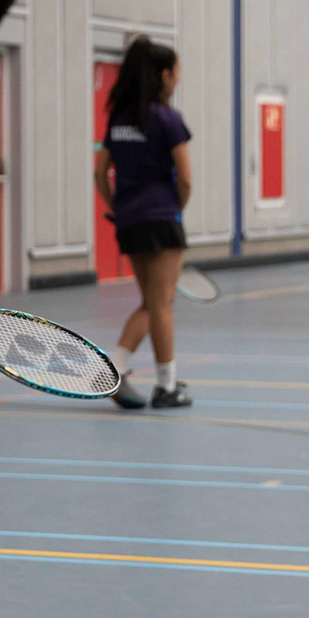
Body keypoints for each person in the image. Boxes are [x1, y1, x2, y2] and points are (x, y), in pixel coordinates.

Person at [93, 36, 192, 409]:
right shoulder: (168, 119)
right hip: (162, 219)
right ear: (164, 75)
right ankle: (163, 386)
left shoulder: (119, 119)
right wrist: (175, 208)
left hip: (130, 222)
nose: (178, 79)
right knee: (161, 304)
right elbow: (185, 179)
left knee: (153, 302)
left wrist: (118, 207)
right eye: (176, 73)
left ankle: (119, 369)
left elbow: (100, 173)